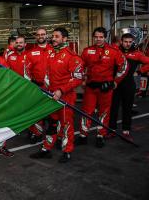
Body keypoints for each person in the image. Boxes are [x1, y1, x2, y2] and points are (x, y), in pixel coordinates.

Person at [30, 27, 83, 163]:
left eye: (57, 36)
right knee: (52, 124)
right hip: (51, 96)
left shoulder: (73, 57)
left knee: (66, 125)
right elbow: (47, 74)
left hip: (65, 97)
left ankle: (67, 151)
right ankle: (46, 149)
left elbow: (78, 79)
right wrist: (47, 89)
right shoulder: (51, 53)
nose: (53, 39)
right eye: (53, 36)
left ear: (64, 39)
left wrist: (61, 90)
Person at [77, 27, 128, 148]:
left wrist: (116, 81)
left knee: (104, 112)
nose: (98, 39)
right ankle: (83, 135)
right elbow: (79, 66)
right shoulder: (87, 51)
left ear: (105, 37)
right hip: (91, 87)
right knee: (86, 112)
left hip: (106, 88)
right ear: (93, 37)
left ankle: (101, 135)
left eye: (101, 37)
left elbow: (124, 67)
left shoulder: (113, 51)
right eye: (96, 37)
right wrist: (83, 79)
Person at [109, 33, 149, 140]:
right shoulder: (115, 51)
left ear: (132, 42)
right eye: (125, 41)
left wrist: (140, 71)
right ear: (121, 41)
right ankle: (111, 130)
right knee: (113, 108)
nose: (127, 44)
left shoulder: (137, 54)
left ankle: (126, 131)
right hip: (115, 84)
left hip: (129, 85)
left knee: (127, 108)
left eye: (129, 42)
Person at [26, 28, 54, 143]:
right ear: (35, 37)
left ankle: (56, 136)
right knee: (37, 113)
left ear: (47, 36)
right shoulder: (30, 53)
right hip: (37, 87)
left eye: (43, 34)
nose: (40, 36)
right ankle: (37, 133)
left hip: (53, 89)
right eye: (38, 35)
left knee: (54, 114)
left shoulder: (54, 50)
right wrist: (31, 85)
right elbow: (26, 72)